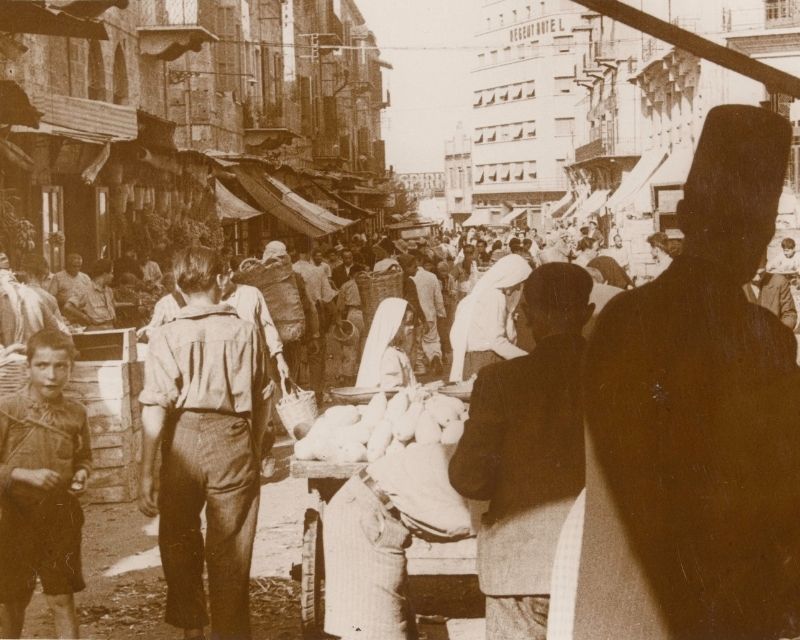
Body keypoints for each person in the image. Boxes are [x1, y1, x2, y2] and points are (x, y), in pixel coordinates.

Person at [573, 105, 800, 640]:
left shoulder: (620, 319)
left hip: (627, 600)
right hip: (728, 603)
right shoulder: (762, 336)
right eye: (756, 231)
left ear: (687, 219)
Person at [449, 264, 592, 640]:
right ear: (588, 314)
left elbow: (469, 478)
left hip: (518, 568)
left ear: (526, 316)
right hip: (597, 566)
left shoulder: (499, 382)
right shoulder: (623, 377)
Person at [138, 246, 272, 640]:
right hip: (232, 439)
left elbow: (154, 406)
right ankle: (229, 633)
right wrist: (256, 441)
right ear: (221, 279)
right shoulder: (246, 331)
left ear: (179, 285)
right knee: (231, 548)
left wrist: (146, 472)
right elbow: (265, 396)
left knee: (178, 538)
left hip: (180, 440)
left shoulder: (165, 334)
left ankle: (192, 630)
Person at [323, 443, 475, 640]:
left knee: (390, 629)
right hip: (364, 512)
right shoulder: (499, 469)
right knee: (373, 632)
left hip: (379, 512)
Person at [0, 329, 91, 639]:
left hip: (59, 514)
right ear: (28, 367)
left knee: (61, 598)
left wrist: (81, 474)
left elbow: (83, 458)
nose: (51, 375)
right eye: (42, 365)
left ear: (70, 368)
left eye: (60, 366)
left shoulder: (76, 412)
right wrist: (24, 474)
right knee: (13, 600)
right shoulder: (7, 410)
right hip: (13, 516)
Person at [449, 254, 532, 382]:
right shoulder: (495, 297)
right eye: (518, 283)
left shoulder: (482, 293)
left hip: (474, 359)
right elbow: (496, 341)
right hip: (487, 359)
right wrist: (529, 359)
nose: (517, 288)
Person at [355, 297, 417, 389]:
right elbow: (392, 391)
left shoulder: (395, 351)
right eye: (407, 323)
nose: (412, 327)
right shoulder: (389, 355)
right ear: (394, 324)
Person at [411, 256, 446, 375]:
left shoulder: (409, 277)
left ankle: (420, 366)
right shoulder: (432, 277)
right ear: (420, 261)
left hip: (415, 315)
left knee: (417, 341)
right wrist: (441, 313)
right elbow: (438, 298)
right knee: (432, 340)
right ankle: (435, 357)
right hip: (430, 314)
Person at [334, 263, 367, 384]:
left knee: (350, 347)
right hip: (367, 315)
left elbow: (340, 307)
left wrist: (339, 320)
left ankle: (348, 376)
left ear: (351, 274)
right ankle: (363, 374)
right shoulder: (368, 284)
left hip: (353, 315)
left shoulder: (346, 285)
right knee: (365, 346)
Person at [64, 259, 115, 330]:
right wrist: (84, 317)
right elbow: (68, 306)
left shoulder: (108, 291)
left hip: (111, 327)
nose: (113, 276)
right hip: (96, 329)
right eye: (111, 273)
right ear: (104, 274)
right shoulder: (85, 289)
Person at [744, 266, 797, 330]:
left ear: (766, 263)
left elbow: (789, 314)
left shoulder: (779, 282)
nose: (758, 278)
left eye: (761, 273)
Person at [137, 272, 185, 339]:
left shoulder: (194, 299)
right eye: (171, 283)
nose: (175, 286)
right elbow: (152, 328)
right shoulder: (163, 303)